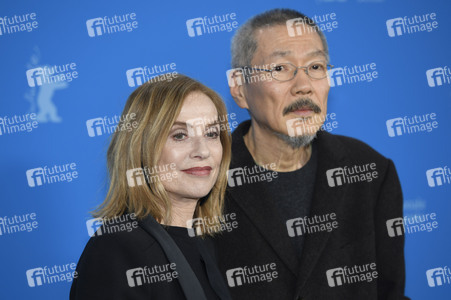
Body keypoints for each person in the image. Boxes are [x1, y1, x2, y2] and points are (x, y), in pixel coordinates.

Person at [214, 9, 409, 300]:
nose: (304, 85)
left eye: (316, 67)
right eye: (280, 68)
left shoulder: (370, 171)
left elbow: (389, 292)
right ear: (240, 89)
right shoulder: (207, 177)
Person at [70, 74, 232, 300]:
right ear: (141, 147)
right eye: (180, 135)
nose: (203, 151)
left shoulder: (211, 243)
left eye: (212, 133)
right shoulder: (115, 250)